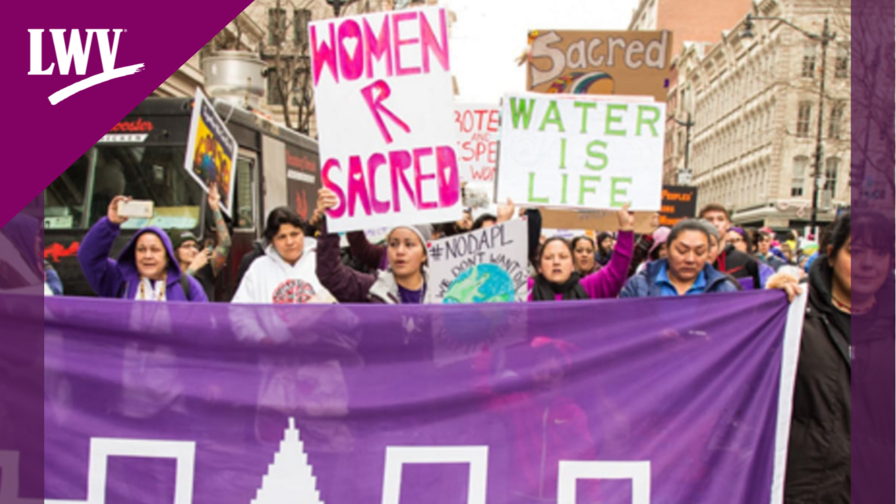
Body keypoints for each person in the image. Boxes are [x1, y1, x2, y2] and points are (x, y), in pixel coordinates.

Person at [783, 211, 894, 503]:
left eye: (880, 253)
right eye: (856, 252)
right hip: (805, 488)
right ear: (831, 255)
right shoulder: (792, 315)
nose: (868, 265)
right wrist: (766, 308)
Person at [314, 188, 435, 304]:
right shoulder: (372, 289)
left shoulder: (441, 290)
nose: (400, 251)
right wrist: (331, 218)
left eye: (409, 245)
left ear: (424, 254)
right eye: (393, 244)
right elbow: (330, 273)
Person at [77, 196, 207, 302]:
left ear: (167, 255)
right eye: (141, 250)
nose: (148, 255)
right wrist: (110, 223)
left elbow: (203, 325)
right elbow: (88, 258)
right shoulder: (120, 279)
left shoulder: (188, 286)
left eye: (155, 250)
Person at [529, 206, 634, 301]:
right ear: (539, 267)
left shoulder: (589, 287)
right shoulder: (525, 290)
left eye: (563, 257)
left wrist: (626, 228)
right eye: (549, 258)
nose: (556, 262)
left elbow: (616, 272)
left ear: (573, 265)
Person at [232, 206, 332, 304]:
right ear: (272, 241)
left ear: (303, 234)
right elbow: (240, 312)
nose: (289, 242)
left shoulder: (321, 262)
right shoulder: (258, 268)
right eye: (282, 237)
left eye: (294, 234)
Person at [619, 220, 742, 298]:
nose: (690, 259)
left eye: (699, 252)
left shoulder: (724, 290)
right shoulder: (639, 286)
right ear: (667, 249)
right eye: (682, 251)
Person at [170, 184, 232, 301]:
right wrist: (193, 268)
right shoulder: (169, 274)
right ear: (175, 251)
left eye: (195, 246)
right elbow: (175, 293)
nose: (193, 250)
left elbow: (225, 243)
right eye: (186, 246)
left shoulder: (206, 269)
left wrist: (215, 208)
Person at [699, 204, 762, 289]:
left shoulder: (745, 261)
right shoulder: (692, 260)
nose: (715, 223)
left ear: (728, 224)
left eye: (720, 219)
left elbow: (756, 295)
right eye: (709, 219)